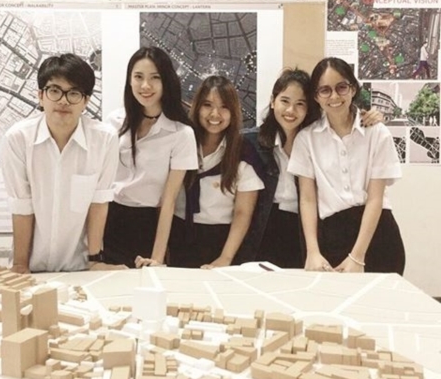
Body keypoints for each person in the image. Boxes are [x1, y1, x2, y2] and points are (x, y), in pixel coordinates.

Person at [2, 53, 121, 273]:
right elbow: (22, 206)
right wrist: (20, 265)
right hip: (31, 266)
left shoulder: (104, 140)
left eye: (74, 93)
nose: (64, 101)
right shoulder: (18, 138)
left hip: (80, 268)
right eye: (55, 91)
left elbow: (98, 204)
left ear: (86, 101)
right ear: (40, 96)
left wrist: (95, 261)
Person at [288, 57, 405, 274]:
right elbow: (307, 199)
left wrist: (358, 256)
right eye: (325, 90)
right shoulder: (306, 139)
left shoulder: (377, 133)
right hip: (331, 237)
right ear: (316, 96)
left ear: (353, 89)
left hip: (377, 236)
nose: (334, 96)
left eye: (341, 87)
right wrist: (312, 252)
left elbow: (376, 198)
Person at [103, 47, 198, 268]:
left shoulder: (181, 133)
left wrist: (157, 257)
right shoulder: (114, 121)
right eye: (138, 77)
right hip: (109, 216)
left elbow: (169, 200)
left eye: (155, 77)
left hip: (148, 223)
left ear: (166, 81)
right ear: (129, 81)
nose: (145, 85)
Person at [168, 76, 264, 269]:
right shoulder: (181, 142)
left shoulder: (243, 152)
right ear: (197, 107)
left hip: (221, 241)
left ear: (233, 111)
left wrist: (225, 258)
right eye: (208, 105)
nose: (215, 114)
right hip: (177, 233)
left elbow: (242, 213)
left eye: (224, 107)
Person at [241, 69, 318, 268]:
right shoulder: (251, 142)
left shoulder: (316, 143)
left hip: (302, 230)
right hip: (262, 228)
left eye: (300, 104)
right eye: (285, 101)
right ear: (273, 101)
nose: (291, 110)